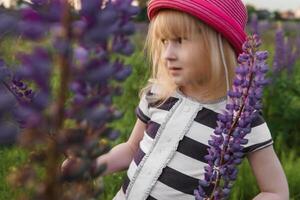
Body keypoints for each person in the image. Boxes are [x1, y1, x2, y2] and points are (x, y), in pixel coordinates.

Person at [62, 0, 289, 199]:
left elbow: (275, 191)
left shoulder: (242, 118)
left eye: (179, 40)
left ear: (218, 46)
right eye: (163, 42)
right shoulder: (158, 94)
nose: (167, 54)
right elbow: (132, 148)